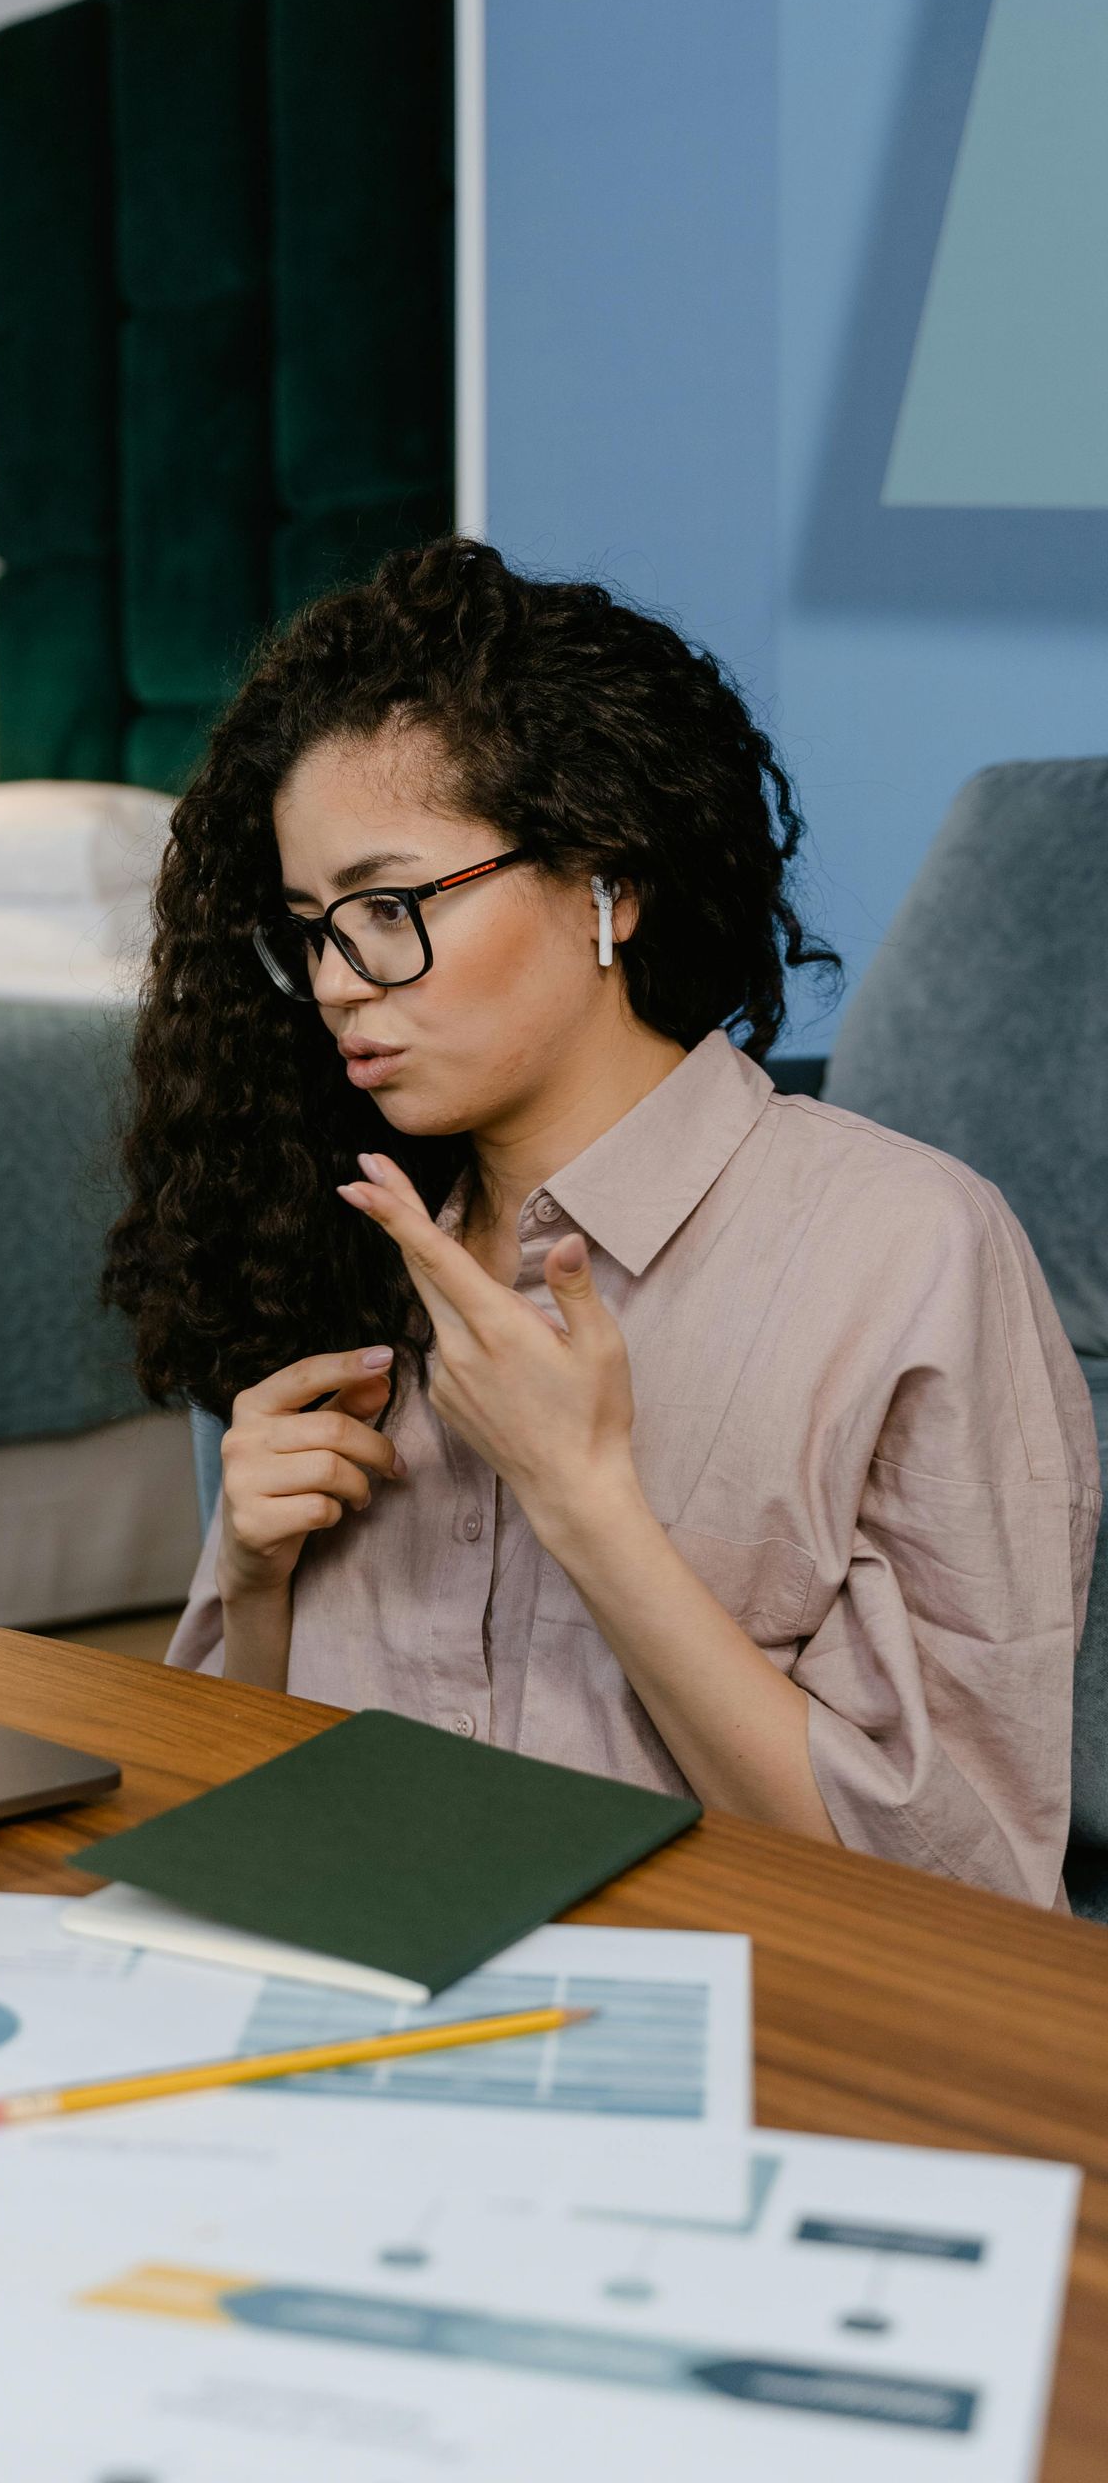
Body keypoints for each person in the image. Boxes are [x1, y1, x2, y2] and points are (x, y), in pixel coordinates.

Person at [105, 542, 1099, 1905]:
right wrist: (258, 1579)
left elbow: (966, 1894)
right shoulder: (339, 1235)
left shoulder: (908, 1250)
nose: (338, 984)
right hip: (347, 1977)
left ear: (606, 886)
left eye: (389, 909)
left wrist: (585, 1501)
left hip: (738, 2035)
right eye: (309, 931)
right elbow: (227, 1832)